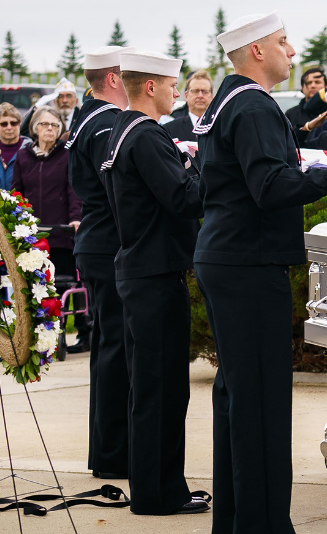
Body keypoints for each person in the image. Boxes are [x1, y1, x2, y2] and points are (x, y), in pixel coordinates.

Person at [194, 12, 327, 532]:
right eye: (282, 42)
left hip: (230, 257)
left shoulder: (230, 101)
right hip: (249, 263)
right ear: (257, 51)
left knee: (238, 399)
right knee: (259, 403)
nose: (292, 50)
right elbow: (269, 186)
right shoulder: (252, 104)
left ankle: (239, 521)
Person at [101, 50, 207, 515]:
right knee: (160, 389)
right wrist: (211, 167)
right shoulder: (145, 135)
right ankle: (157, 495)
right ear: (150, 86)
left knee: (155, 388)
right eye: (171, 85)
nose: (177, 93)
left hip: (143, 269)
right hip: (154, 273)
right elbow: (184, 198)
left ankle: (164, 486)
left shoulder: (122, 131)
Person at [66, 46, 130, 479]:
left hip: (98, 242)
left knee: (109, 350)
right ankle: (113, 454)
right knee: (116, 354)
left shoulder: (86, 117)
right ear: (112, 78)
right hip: (110, 244)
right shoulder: (106, 122)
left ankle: (108, 452)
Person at [12, 105, 90, 351]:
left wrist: (75, 219)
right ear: (35, 128)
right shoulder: (23, 156)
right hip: (32, 236)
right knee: (35, 287)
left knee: (67, 285)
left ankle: (82, 331)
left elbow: (73, 192)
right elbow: (17, 192)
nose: (50, 129)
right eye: (45, 124)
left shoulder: (66, 155)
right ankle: (36, 332)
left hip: (60, 234)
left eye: (55, 125)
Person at [163, 70, 213, 142]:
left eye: (205, 92)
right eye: (195, 91)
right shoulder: (169, 129)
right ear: (186, 96)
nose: (200, 96)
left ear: (212, 97)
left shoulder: (221, 127)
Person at [284, 65, 327, 145]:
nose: (313, 86)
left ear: (326, 87)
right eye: (308, 83)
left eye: (317, 82)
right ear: (302, 88)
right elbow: (285, 141)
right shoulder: (291, 114)